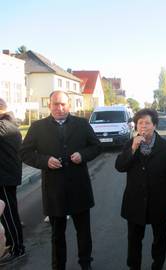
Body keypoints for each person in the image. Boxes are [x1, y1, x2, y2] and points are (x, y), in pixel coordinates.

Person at [20, 91, 101, 270]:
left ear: (69, 105)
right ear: (49, 105)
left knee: (84, 232)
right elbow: (24, 153)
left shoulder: (81, 124)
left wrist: (83, 155)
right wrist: (44, 161)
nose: (59, 108)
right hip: (54, 189)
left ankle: (85, 264)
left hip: (79, 187)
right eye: (55, 104)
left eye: (63, 104)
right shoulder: (37, 127)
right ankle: (58, 266)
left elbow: (96, 146)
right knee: (57, 234)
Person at [115, 108, 166, 270]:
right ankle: (134, 266)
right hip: (135, 201)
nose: (143, 126)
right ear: (136, 126)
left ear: (154, 125)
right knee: (134, 239)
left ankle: (157, 265)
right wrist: (132, 149)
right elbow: (120, 166)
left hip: (159, 201)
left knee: (159, 238)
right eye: (140, 123)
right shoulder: (129, 144)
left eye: (147, 123)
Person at [0, 98, 25, 265]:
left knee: (8, 215)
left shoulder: (2, 126)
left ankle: (17, 248)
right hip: (8, 175)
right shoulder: (10, 124)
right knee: (9, 214)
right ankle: (13, 244)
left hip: (4, 177)